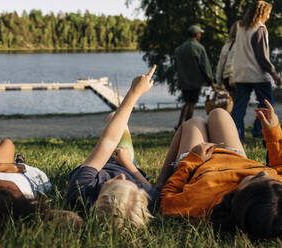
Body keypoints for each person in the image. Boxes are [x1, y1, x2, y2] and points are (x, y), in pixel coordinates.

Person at [157, 102, 282, 238]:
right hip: (234, 156)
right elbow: (279, 167)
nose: (263, 172)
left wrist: (192, 160)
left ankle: (159, 182)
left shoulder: (203, 203)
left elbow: (167, 202)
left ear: (240, 195)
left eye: (256, 178)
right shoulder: (275, 193)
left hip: (198, 163)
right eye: (271, 179)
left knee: (193, 123)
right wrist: (272, 132)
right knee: (218, 113)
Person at [66, 66, 160, 228]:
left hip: (100, 163)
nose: (121, 177)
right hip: (127, 163)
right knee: (116, 120)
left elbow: (108, 141)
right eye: (130, 184)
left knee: (114, 119)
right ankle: (114, 120)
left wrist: (134, 92)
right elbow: (149, 187)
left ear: (97, 201)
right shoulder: (141, 201)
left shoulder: (82, 189)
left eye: (115, 183)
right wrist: (129, 166)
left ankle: (113, 119)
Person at [231, 1, 282, 141]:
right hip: (257, 75)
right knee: (266, 105)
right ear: (263, 13)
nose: (269, 17)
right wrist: (274, 73)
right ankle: (259, 131)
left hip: (241, 74)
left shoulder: (241, 28)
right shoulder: (259, 29)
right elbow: (262, 57)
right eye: (269, 14)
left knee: (239, 107)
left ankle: (235, 136)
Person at [174, 25, 215, 130]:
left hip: (183, 81)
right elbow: (205, 66)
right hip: (194, 81)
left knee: (187, 102)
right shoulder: (199, 48)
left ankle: (179, 124)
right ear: (196, 34)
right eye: (199, 33)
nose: (200, 35)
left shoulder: (179, 49)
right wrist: (211, 81)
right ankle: (186, 126)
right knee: (191, 104)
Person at [215, 21, 240, 100]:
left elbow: (221, 64)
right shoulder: (243, 45)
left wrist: (219, 82)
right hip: (238, 77)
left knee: (233, 102)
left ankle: (232, 112)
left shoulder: (226, 46)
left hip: (227, 77)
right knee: (240, 103)